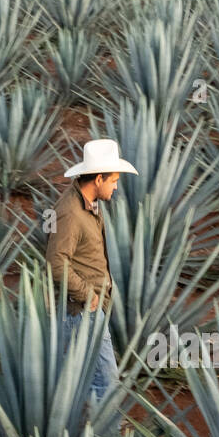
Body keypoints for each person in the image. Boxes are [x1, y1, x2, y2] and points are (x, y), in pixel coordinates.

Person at [46, 138, 138, 403]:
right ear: (98, 179)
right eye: (114, 180)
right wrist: (89, 294)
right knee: (107, 383)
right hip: (82, 310)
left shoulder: (86, 203)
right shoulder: (70, 213)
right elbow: (55, 263)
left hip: (90, 308)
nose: (116, 186)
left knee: (88, 381)